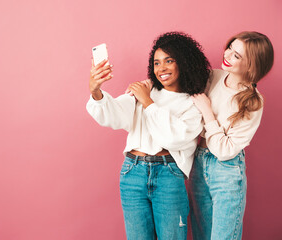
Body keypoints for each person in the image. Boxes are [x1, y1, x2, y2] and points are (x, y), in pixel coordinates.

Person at [86, 32, 211, 240]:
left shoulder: (194, 102)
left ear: (184, 62)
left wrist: (148, 103)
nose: (161, 68)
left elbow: (174, 138)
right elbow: (115, 115)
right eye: (156, 62)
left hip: (169, 175)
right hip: (133, 172)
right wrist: (96, 91)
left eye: (169, 61)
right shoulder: (145, 90)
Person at [188, 31, 274, 240]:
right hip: (197, 162)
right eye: (230, 48)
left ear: (252, 65)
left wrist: (207, 112)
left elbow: (224, 150)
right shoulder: (213, 76)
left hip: (226, 170)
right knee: (202, 235)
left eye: (237, 56)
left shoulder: (253, 102)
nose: (227, 55)